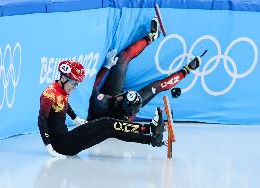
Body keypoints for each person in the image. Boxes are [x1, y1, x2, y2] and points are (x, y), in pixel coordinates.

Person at [38, 60, 166, 157]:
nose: (75, 87)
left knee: (110, 131)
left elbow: (65, 104)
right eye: (74, 83)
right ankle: (150, 128)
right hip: (62, 145)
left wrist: (75, 118)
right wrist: (49, 146)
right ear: (64, 78)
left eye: (77, 84)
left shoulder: (61, 90)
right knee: (107, 123)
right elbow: (42, 120)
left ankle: (152, 140)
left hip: (66, 139)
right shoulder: (50, 94)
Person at [87, 17, 204, 121]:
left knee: (121, 59)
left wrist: (106, 67)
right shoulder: (128, 112)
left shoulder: (101, 103)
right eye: (124, 94)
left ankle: (151, 37)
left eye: (123, 95)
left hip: (109, 101)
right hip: (121, 109)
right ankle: (187, 70)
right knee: (156, 87)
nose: (122, 93)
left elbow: (92, 84)